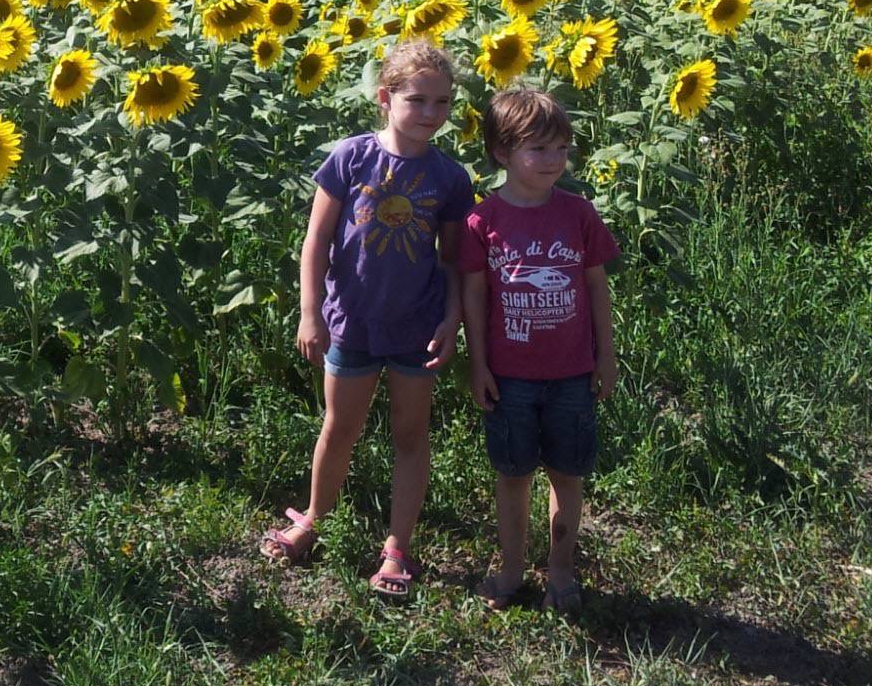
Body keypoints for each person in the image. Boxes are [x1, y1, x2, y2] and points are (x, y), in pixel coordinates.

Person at [261, 39, 474, 594]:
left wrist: (452, 320)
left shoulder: (450, 178)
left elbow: (453, 260)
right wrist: (310, 313)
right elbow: (316, 242)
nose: (431, 114)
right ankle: (312, 520)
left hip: (415, 324)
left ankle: (397, 549)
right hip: (351, 319)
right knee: (340, 427)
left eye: (443, 102)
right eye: (418, 100)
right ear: (385, 97)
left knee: (410, 434)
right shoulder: (350, 157)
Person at [460, 85, 618, 614]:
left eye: (561, 148)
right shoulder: (484, 222)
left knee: (567, 473)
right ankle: (509, 566)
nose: (554, 160)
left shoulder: (578, 213)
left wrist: (607, 354)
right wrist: (478, 363)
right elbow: (474, 299)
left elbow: (596, 286)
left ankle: (560, 567)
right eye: (539, 149)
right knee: (512, 473)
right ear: (502, 153)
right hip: (510, 376)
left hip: (573, 371)